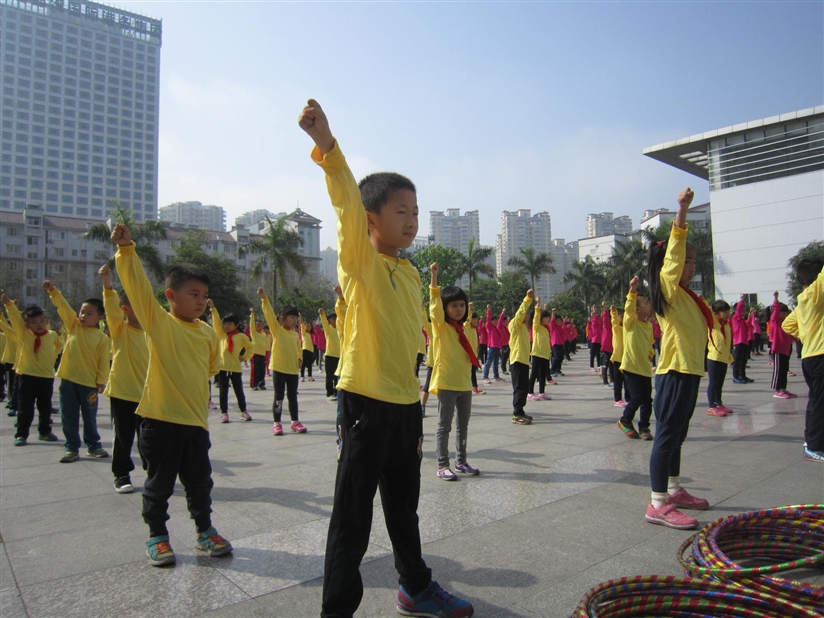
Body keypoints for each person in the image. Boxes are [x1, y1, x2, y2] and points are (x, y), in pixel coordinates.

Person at [300, 98, 473, 618]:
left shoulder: (411, 272)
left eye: (416, 212)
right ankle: (337, 610)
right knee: (352, 516)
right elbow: (346, 207)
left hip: (404, 402)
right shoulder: (361, 261)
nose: (412, 221)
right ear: (372, 220)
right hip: (365, 401)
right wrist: (328, 148)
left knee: (404, 506)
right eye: (401, 212)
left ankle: (414, 587)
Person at [111, 223, 232, 567]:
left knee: (200, 483)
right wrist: (126, 250)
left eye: (204, 295)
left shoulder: (208, 333)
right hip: (160, 421)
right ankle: (158, 537)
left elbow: (210, 368)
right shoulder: (159, 322)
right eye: (193, 294)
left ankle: (204, 530)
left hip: (195, 424)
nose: (201, 301)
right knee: (158, 485)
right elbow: (136, 286)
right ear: (171, 296)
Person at [645, 187, 711, 530]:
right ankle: (657, 503)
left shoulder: (685, 296)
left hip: (689, 370)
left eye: (694, 262)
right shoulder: (668, 287)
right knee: (667, 434)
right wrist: (682, 211)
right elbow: (673, 252)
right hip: (674, 371)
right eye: (688, 261)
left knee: (678, 434)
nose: (690, 266)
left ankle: (673, 489)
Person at [44, 279, 110, 463]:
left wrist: (101, 381)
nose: (83, 315)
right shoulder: (74, 327)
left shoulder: (101, 338)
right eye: (82, 312)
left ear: (99, 318)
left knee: (89, 417)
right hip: (68, 381)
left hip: (89, 384)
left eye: (89, 313)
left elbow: (103, 362)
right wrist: (53, 291)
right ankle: (71, 448)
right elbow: (64, 307)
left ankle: (94, 446)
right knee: (69, 416)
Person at [428, 264, 481, 481]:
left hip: (464, 385)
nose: (459, 309)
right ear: (445, 308)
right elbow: (433, 306)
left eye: (461, 305)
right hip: (447, 383)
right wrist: (434, 278)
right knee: (444, 426)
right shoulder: (441, 327)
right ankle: (443, 464)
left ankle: (461, 461)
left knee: (463, 425)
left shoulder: (467, 329)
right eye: (453, 305)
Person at [99, 265, 149, 493]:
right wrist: (108, 286)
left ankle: (153, 470)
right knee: (123, 436)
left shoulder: (153, 334)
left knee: (149, 437)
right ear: (126, 309)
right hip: (122, 393)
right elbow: (111, 311)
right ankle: (121, 474)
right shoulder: (120, 330)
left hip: (149, 396)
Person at [0, 297, 62, 445]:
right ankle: (21, 434)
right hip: (27, 376)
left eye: (41, 321)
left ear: (46, 321)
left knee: (45, 407)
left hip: (46, 376)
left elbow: (59, 345)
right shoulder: (24, 334)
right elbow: (15, 319)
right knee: (25, 408)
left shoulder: (52, 335)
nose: (38, 325)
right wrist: (9, 305)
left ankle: (45, 431)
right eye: (33, 322)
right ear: (27, 325)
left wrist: (52, 356)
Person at [782, 258, 824, 462]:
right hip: (820, 355)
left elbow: (788, 325)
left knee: (816, 401)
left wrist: (808, 335)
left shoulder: (803, 302)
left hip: (811, 355)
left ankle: (812, 442)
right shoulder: (816, 293)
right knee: (819, 403)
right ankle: (814, 446)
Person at [259, 291, 305, 435]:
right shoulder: (277, 330)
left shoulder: (295, 334)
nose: (295, 321)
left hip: (292, 370)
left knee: (293, 396)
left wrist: (300, 359)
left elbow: (299, 348)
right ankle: (277, 423)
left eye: (296, 318)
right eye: (292, 318)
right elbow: (269, 315)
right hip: (279, 368)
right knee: (279, 397)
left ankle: (294, 422)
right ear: (283, 318)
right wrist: (265, 299)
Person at [616, 277, 653, 440]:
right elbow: (629, 309)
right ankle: (625, 420)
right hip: (631, 366)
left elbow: (650, 344)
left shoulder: (649, 326)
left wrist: (650, 354)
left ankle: (644, 427)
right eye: (645, 304)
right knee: (636, 397)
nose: (649, 306)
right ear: (637, 310)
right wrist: (632, 291)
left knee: (647, 400)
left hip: (644, 368)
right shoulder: (630, 322)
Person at [208, 301, 252, 423]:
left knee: (239, 391)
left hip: (235, 368)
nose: (226, 326)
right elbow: (216, 322)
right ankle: (224, 413)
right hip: (222, 368)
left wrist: (243, 357)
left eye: (230, 324)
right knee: (223, 392)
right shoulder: (222, 334)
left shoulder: (241, 336)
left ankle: (243, 411)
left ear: (236, 325)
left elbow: (251, 347)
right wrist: (213, 308)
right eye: (225, 323)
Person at [508, 290, 535, 424]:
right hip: (517, 360)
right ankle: (516, 413)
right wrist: (528, 299)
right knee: (519, 388)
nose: (528, 316)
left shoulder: (524, 328)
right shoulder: (515, 324)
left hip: (524, 361)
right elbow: (520, 313)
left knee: (524, 387)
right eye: (527, 313)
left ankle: (521, 411)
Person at [705, 298, 734, 416]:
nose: (728, 314)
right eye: (724, 311)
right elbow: (708, 311)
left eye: (728, 311)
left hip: (724, 358)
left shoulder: (726, 325)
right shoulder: (714, 323)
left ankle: (719, 403)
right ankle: (712, 406)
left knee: (720, 382)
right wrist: (704, 301)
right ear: (716, 314)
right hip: (713, 357)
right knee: (713, 382)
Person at [769, 292, 796, 399]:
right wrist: (776, 298)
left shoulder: (786, 322)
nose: (785, 314)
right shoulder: (775, 321)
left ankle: (783, 389)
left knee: (784, 369)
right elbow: (775, 309)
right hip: (779, 349)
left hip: (786, 349)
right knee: (778, 370)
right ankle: (776, 390)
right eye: (783, 312)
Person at [528, 301, 551, 401]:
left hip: (545, 355)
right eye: (546, 317)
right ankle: (530, 392)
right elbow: (536, 319)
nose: (548, 319)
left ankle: (542, 392)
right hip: (537, 353)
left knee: (543, 374)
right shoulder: (536, 327)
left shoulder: (546, 329)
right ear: (541, 318)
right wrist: (538, 306)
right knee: (534, 373)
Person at [319, 305, 340, 400]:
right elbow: (324, 322)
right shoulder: (328, 329)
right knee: (329, 376)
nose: (337, 321)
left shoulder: (340, 330)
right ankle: (329, 391)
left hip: (339, 356)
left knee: (337, 376)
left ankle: (336, 391)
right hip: (330, 355)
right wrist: (322, 314)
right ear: (331, 320)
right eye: (335, 319)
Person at [609, 306, 629, 406]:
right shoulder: (617, 328)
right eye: (621, 316)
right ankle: (618, 399)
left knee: (627, 380)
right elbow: (614, 322)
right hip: (618, 358)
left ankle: (628, 398)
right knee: (618, 380)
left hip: (627, 357)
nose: (623, 318)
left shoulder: (627, 329)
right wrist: (614, 313)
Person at [731, 299, 753, 383]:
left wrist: (751, 315)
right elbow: (738, 311)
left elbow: (748, 324)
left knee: (743, 361)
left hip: (744, 342)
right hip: (738, 342)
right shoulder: (735, 318)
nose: (743, 312)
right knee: (737, 360)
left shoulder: (742, 321)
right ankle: (736, 376)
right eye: (742, 310)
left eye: (744, 311)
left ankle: (742, 376)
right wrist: (742, 300)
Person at [248, 310, 269, 391]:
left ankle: (261, 384)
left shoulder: (264, 335)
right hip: (255, 354)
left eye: (261, 326)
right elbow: (251, 324)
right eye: (258, 326)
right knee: (255, 370)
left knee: (262, 370)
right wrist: (252, 315)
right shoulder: (254, 333)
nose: (259, 327)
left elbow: (267, 344)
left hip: (262, 355)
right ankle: (254, 384)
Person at [482, 304, 503, 383]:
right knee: (489, 362)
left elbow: (500, 321)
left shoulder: (496, 328)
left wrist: (502, 313)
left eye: (496, 320)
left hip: (497, 347)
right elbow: (487, 320)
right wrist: (489, 310)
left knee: (496, 363)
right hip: (492, 347)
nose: (495, 322)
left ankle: (496, 376)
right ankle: (485, 377)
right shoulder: (489, 328)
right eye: (493, 320)